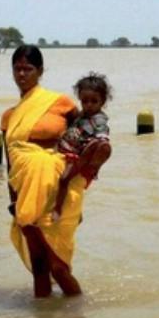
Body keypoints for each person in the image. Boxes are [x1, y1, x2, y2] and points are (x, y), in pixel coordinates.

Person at [2, 45, 108, 298]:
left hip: (61, 188)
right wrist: (14, 201)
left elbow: (81, 143)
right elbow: (11, 164)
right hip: (27, 193)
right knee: (39, 266)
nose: (22, 74)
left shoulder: (61, 104)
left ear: (40, 71)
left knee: (58, 267)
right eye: (17, 69)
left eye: (28, 69)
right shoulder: (9, 117)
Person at [52, 73, 112, 221]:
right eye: (85, 101)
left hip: (79, 156)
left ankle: (57, 210)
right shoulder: (81, 116)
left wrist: (101, 142)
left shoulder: (99, 120)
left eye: (94, 101)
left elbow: (103, 133)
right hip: (67, 149)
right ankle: (77, 213)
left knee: (64, 180)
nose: (89, 105)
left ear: (102, 101)